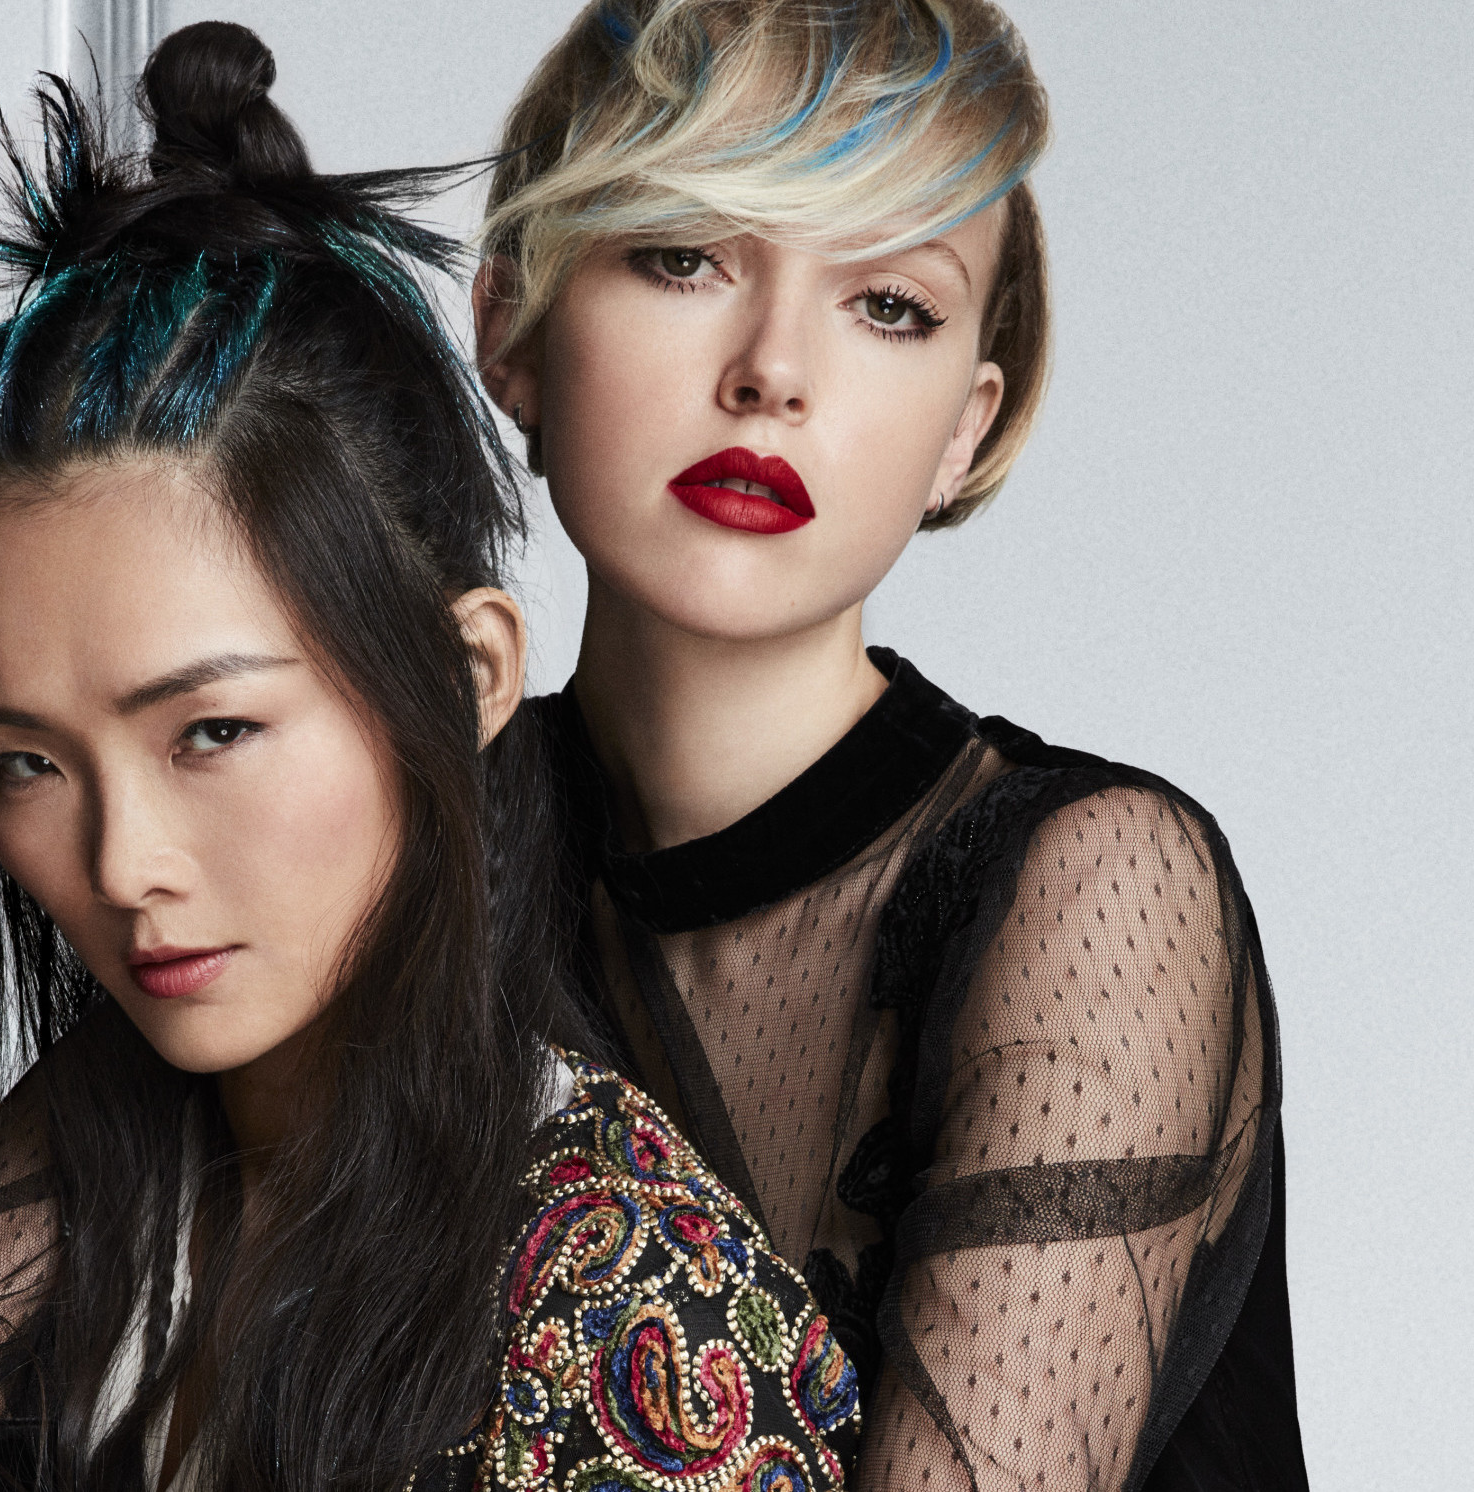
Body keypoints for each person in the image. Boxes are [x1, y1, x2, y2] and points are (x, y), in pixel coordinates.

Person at [0, 23, 858, 1492]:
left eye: (212, 733)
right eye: (28, 764)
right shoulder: (96, 1225)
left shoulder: (631, 1316)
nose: (122, 866)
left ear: (470, 677)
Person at [470, 4, 1308, 1488]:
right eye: (683, 257)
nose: (772, 371)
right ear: (513, 327)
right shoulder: (387, 842)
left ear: (962, 432)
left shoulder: (1095, 887)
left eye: (890, 307)